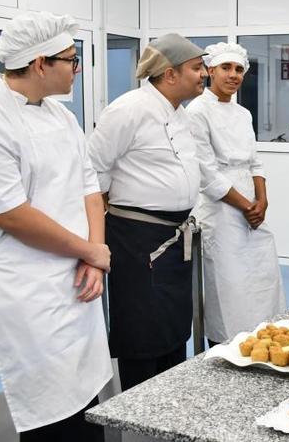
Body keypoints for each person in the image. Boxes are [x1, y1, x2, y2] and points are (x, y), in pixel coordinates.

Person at [0, 11, 112, 441]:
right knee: (49, 409)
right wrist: (88, 251)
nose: (76, 68)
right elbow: (10, 212)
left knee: (85, 399)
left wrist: (95, 254)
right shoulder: (1, 118)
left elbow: (89, 186)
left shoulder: (61, 116)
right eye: (70, 59)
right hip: (30, 283)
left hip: (80, 274)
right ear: (40, 63)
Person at [88, 33, 206, 390]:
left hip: (174, 235)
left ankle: (168, 399)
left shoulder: (180, 114)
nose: (204, 74)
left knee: (172, 324)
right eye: (197, 68)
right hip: (137, 240)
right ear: (170, 74)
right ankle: (137, 404)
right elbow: (92, 173)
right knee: (142, 328)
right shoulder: (128, 110)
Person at [186, 42, 286, 347]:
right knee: (228, 286)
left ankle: (264, 341)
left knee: (262, 278)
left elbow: (255, 161)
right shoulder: (197, 111)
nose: (234, 75)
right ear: (210, 70)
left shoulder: (243, 114)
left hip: (251, 205)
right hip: (221, 208)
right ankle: (226, 346)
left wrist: (262, 200)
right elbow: (207, 173)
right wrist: (246, 206)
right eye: (226, 68)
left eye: (239, 69)